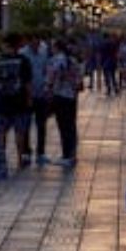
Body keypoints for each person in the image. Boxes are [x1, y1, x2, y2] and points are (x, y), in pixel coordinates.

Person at [0, 32, 34, 170]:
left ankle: (1, 160)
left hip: (3, 101)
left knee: (1, 133)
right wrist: (29, 99)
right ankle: (20, 159)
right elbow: (27, 82)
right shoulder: (23, 60)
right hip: (20, 100)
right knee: (19, 132)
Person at [46, 38, 80, 168]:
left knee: (63, 126)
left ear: (56, 47)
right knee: (71, 126)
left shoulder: (55, 60)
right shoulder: (73, 60)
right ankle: (72, 155)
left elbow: (51, 78)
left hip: (60, 96)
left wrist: (48, 91)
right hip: (71, 97)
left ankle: (66, 156)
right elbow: (78, 80)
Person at [20, 34, 51, 165]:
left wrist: (47, 85)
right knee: (26, 124)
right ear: (29, 42)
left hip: (41, 93)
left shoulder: (44, 51)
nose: (36, 45)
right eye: (34, 42)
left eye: (38, 43)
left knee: (41, 125)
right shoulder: (23, 54)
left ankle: (41, 152)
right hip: (27, 94)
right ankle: (26, 151)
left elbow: (47, 69)